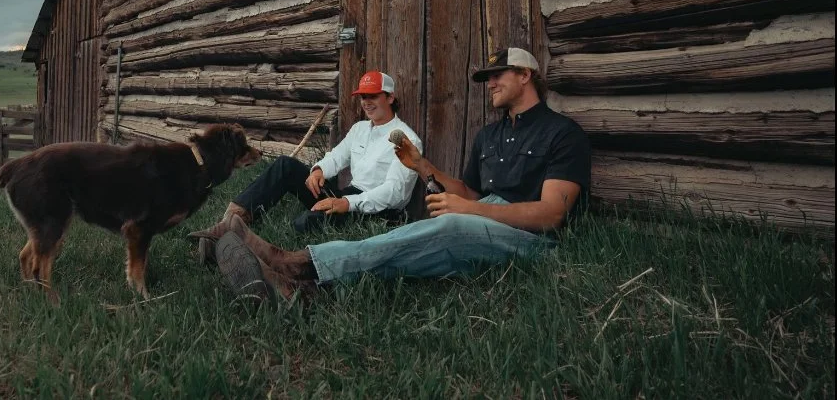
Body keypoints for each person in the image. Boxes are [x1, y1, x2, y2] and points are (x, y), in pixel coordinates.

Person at [191, 47, 592, 302]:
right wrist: (423, 167)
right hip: (478, 213)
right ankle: (288, 276)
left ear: (526, 75)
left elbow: (551, 215)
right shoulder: (489, 135)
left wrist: (469, 212)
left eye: (498, 75)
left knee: (441, 228)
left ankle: (294, 265)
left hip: (528, 240)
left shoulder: (563, 133)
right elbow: (470, 191)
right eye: (486, 78)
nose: (489, 84)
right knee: (408, 236)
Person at [200, 70, 423, 260]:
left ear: (390, 97)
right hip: (347, 196)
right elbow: (337, 156)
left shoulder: (407, 140)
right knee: (285, 166)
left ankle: (251, 254)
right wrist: (319, 170)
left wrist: (347, 203)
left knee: (305, 223)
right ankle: (229, 224)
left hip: (376, 210)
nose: (366, 102)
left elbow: (395, 193)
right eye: (363, 96)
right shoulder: (360, 129)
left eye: (373, 95)